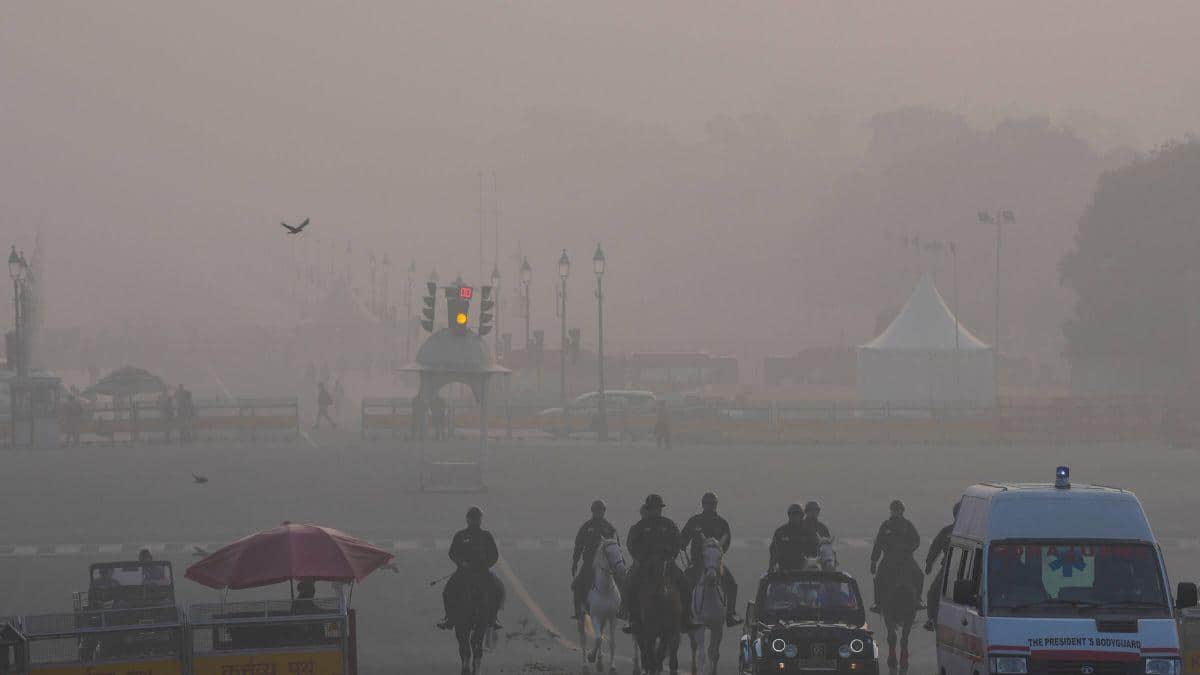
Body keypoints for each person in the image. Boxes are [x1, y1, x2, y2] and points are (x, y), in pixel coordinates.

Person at [622, 494, 698, 634]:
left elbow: (677, 542)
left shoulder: (669, 524)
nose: (656, 511)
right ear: (648, 509)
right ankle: (633, 619)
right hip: (646, 565)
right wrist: (640, 558)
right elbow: (632, 545)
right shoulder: (640, 526)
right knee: (631, 585)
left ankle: (686, 618)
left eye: (658, 508)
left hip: (667, 564)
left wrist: (672, 555)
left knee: (685, 585)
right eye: (653, 508)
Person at [679, 492, 742, 626]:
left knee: (732, 585)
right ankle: (685, 616)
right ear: (703, 505)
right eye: (708, 504)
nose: (710, 507)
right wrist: (682, 543)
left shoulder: (722, 523)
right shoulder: (694, 521)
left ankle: (730, 614)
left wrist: (715, 555)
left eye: (712, 504)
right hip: (697, 562)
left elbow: (726, 543)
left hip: (715, 563)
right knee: (684, 585)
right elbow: (683, 537)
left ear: (716, 505)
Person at [438, 506, 505, 631]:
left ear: (480, 520)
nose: (475, 521)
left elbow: (494, 555)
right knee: (447, 592)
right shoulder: (460, 535)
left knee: (497, 590)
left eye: (477, 518)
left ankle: (493, 618)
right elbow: (452, 552)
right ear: (468, 520)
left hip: (483, 571)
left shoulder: (486, 536)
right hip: (464, 571)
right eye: (473, 518)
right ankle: (449, 618)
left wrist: (486, 565)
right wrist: (461, 563)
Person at [869, 499, 923, 613]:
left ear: (902, 511)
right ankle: (878, 603)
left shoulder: (908, 525)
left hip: (906, 558)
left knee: (919, 575)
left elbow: (916, 540)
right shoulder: (886, 525)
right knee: (878, 578)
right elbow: (878, 543)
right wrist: (874, 561)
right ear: (891, 511)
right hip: (888, 558)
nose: (896, 512)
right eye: (894, 510)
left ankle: (918, 599)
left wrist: (908, 549)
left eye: (898, 510)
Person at [571, 499, 618, 619]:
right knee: (577, 585)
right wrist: (575, 562)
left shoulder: (609, 528)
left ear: (604, 511)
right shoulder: (586, 527)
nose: (599, 513)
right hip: (589, 562)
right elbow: (579, 545)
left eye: (601, 510)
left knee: (621, 582)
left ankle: (621, 609)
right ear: (593, 511)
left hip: (607, 563)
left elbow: (615, 547)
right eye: (597, 510)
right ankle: (578, 611)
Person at [923, 501, 960, 630]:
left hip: (972, 568)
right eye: (958, 513)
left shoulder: (976, 531)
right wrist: (929, 562)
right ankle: (932, 619)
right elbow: (935, 547)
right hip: (948, 568)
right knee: (933, 592)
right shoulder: (947, 531)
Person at [769, 504, 820, 572]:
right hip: (784, 570)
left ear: (801, 516)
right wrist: (771, 567)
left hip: (805, 570)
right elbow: (773, 550)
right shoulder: (780, 532)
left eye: (796, 514)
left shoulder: (808, 532)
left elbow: (816, 551)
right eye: (792, 514)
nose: (794, 516)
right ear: (788, 516)